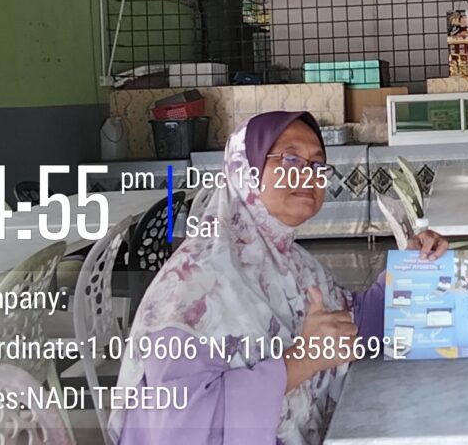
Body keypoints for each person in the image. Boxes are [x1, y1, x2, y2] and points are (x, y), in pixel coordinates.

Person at [111, 111, 448, 445]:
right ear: (245, 170)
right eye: (290, 159)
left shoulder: (292, 264)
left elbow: (352, 326)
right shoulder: (190, 288)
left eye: (317, 164)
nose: (308, 174)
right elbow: (176, 428)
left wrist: (411, 266)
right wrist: (303, 360)